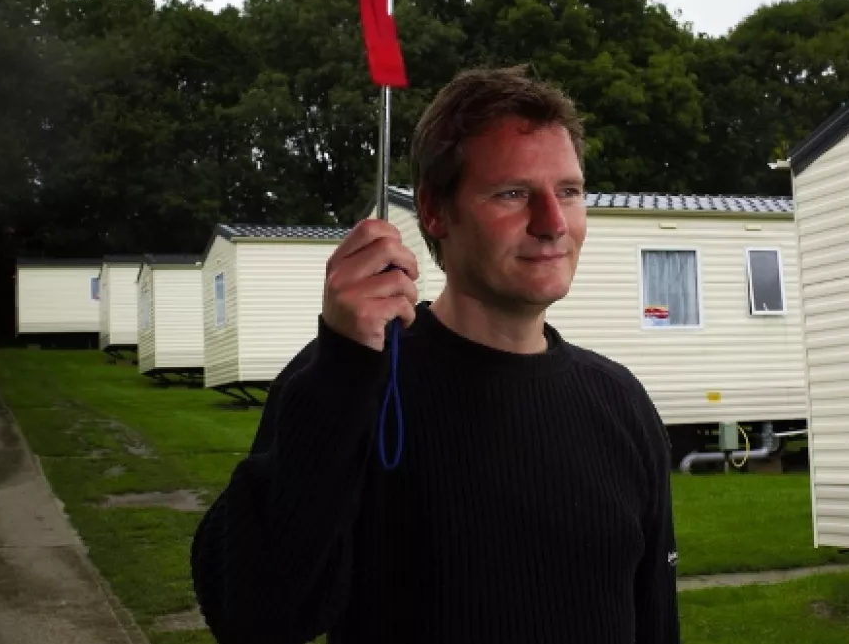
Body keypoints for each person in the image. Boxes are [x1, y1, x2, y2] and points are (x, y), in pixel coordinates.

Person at [190, 64, 681, 644]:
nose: (552, 223)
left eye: (569, 192)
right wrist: (342, 369)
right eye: (513, 193)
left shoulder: (621, 403)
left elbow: (656, 620)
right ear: (434, 211)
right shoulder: (352, 376)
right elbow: (254, 614)